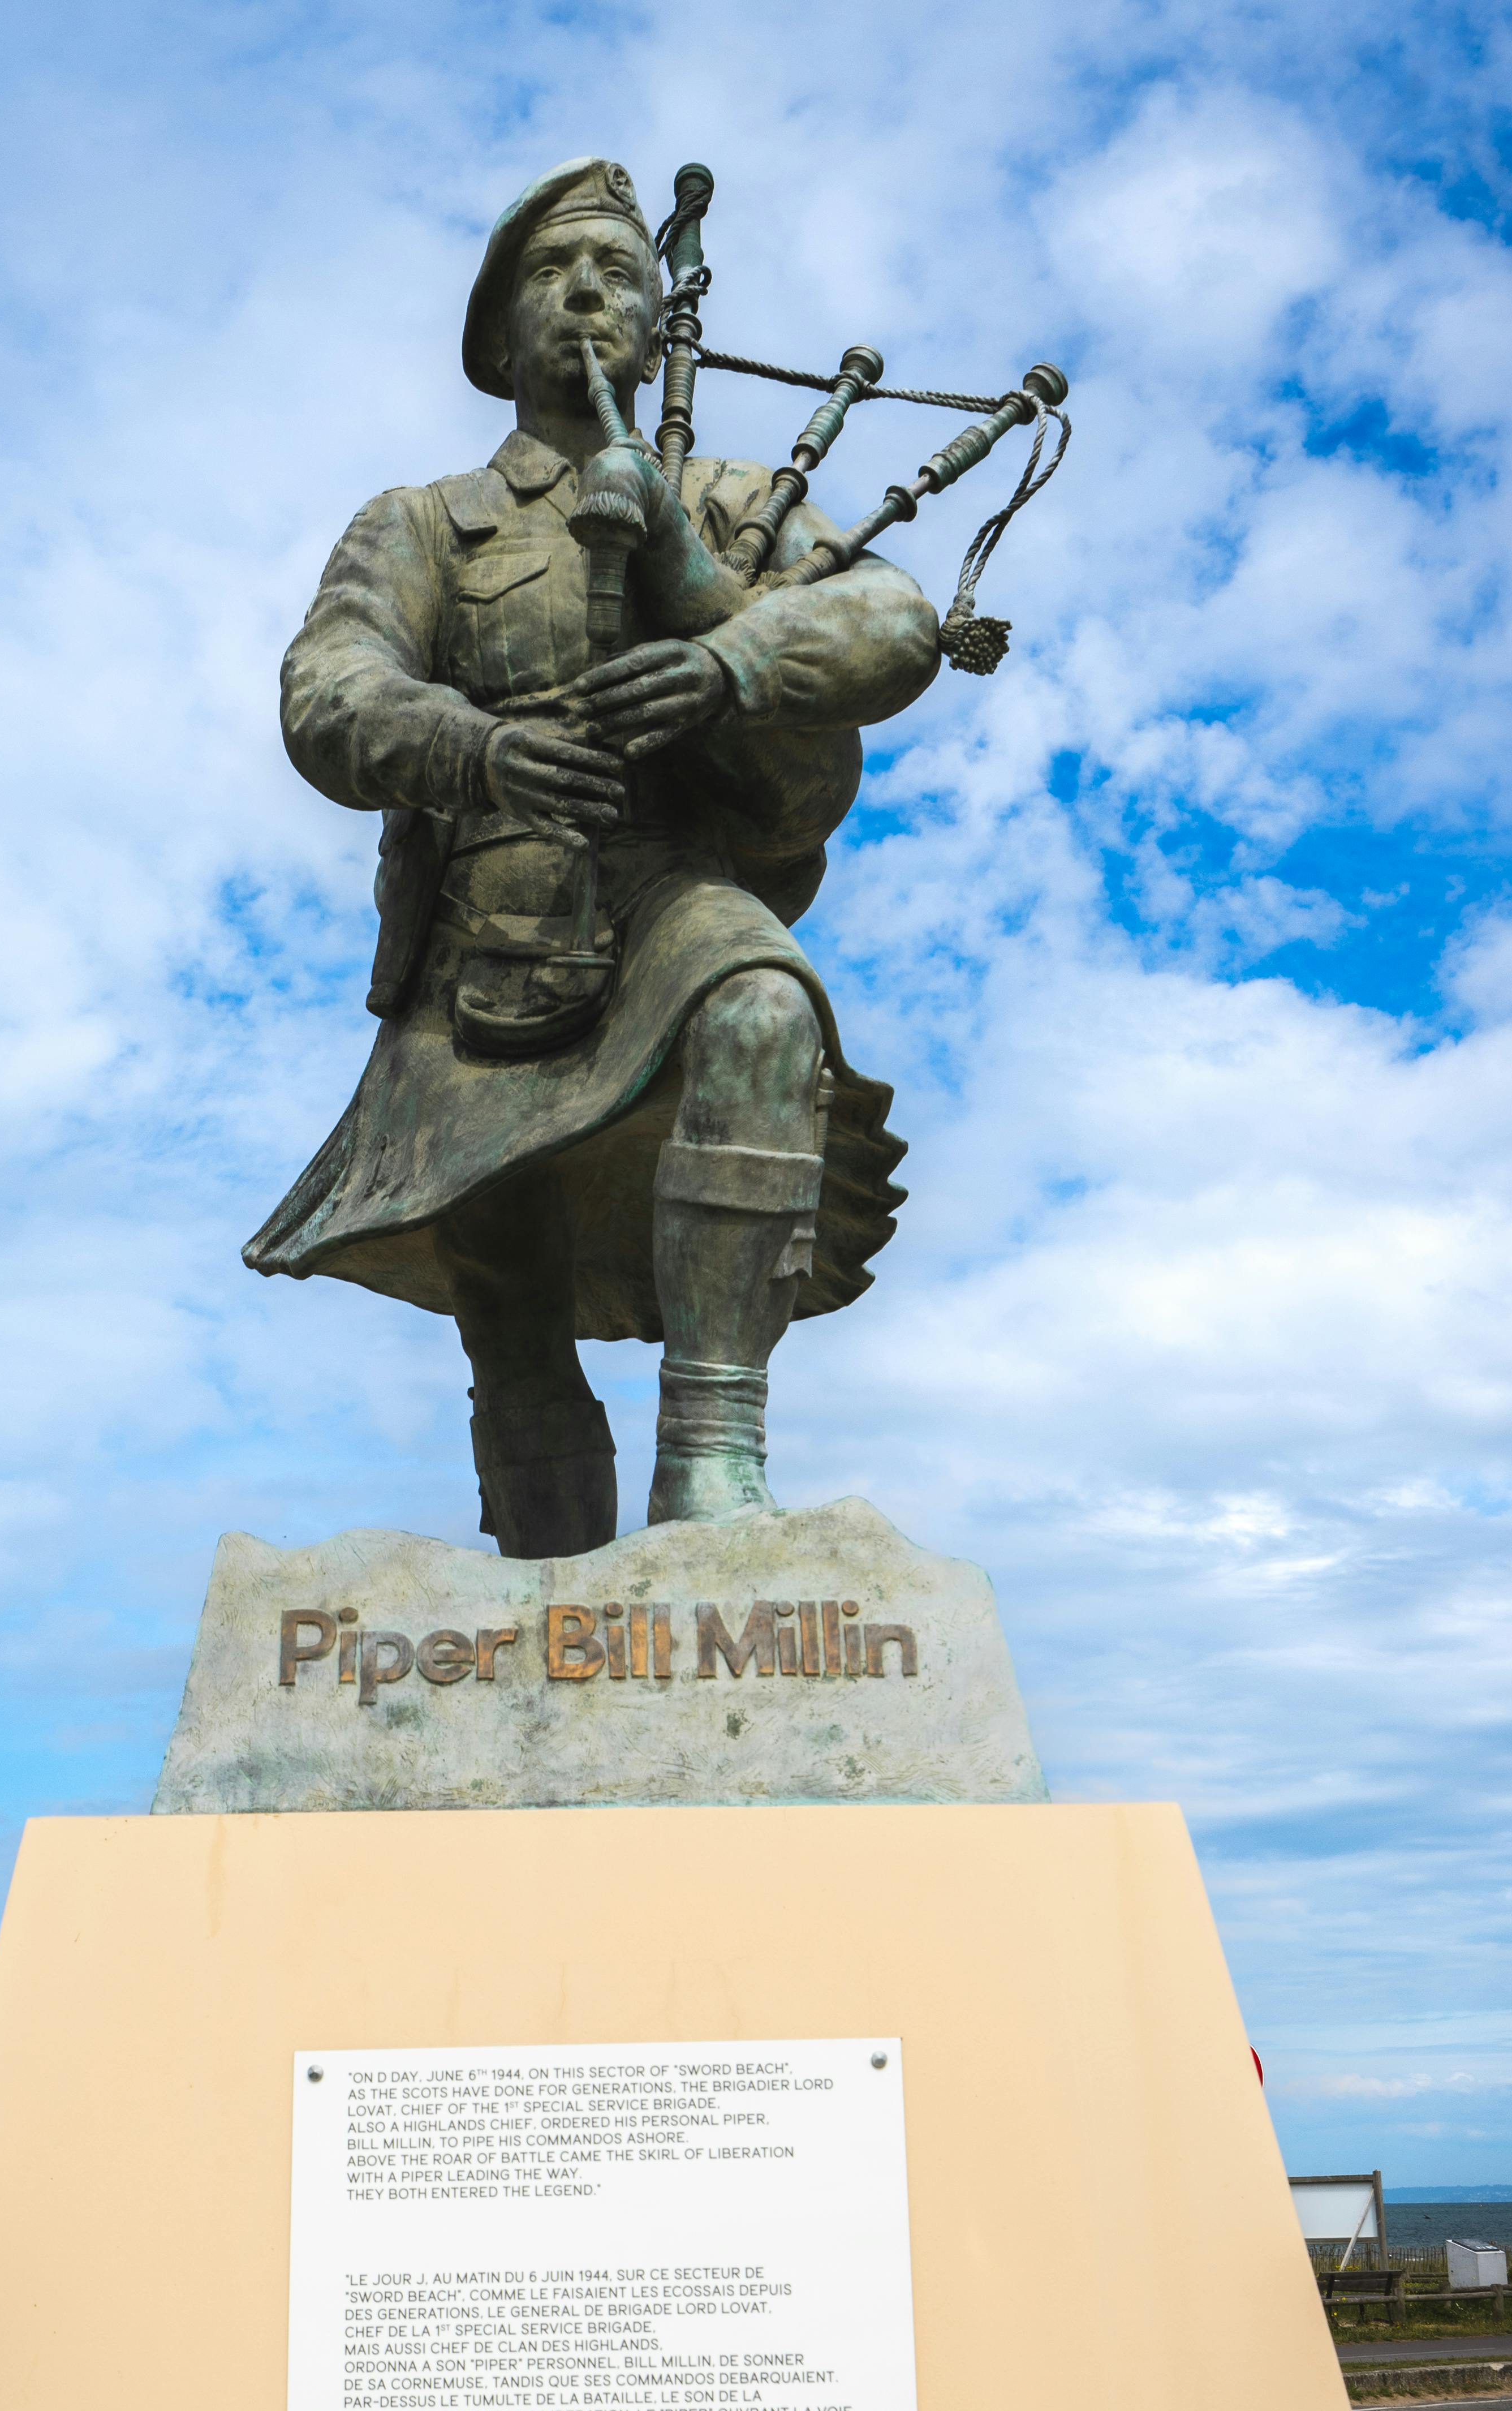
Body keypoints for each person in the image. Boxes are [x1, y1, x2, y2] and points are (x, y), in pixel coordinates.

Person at [247, 156, 940, 1551]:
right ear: (499, 339)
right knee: (506, 1282)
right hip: (486, 934)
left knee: (761, 1009)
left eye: (618, 274)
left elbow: (899, 624)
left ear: (655, 319)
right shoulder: (422, 526)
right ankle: (544, 1579)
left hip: (668, 884)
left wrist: (725, 645)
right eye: (552, 276)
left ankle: (715, 1467)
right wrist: (473, 751)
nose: (585, 296)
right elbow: (326, 694)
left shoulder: (736, 499)